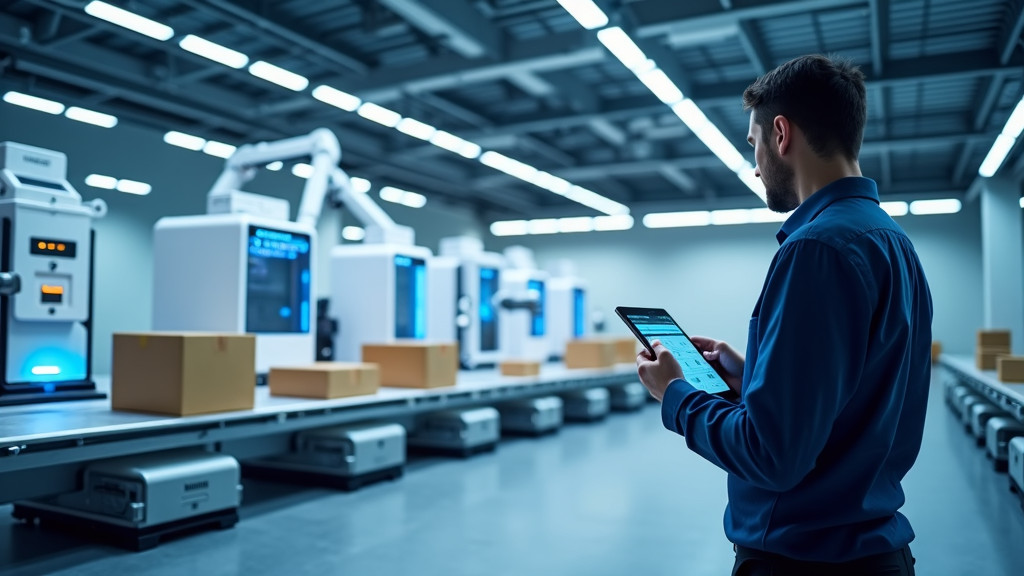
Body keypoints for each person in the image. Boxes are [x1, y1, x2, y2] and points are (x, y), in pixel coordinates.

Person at [635, 54, 932, 576]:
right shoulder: (892, 242)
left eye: (752, 145)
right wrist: (752, 375)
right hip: (870, 553)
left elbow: (772, 456)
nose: (754, 166)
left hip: (804, 559)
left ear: (780, 133)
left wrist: (676, 395)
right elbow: (856, 398)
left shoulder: (816, 249)